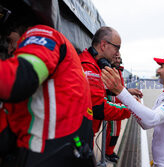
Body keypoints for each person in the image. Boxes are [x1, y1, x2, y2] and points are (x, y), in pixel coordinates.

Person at [0, 5, 94, 167]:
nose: (9, 49)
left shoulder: (40, 33)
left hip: (48, 152)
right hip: (60, 149)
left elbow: (18, 79)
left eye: (10, 40)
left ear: (22, 29)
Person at [102, 53, 164, 167]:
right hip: (159, 163)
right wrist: (135, 105)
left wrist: (121, 92)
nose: (158, 70)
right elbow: (145, 123)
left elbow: (151, 120)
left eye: (161, 66)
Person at [79, 27, 135, 140]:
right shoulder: (88, 66)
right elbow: (98, 107)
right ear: (104, 45)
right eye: (117, 48)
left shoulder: (95, 64)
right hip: (81, 135)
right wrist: (131, 108)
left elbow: (106, 90)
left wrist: (127, 93)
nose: (117, 53)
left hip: (85, 132)